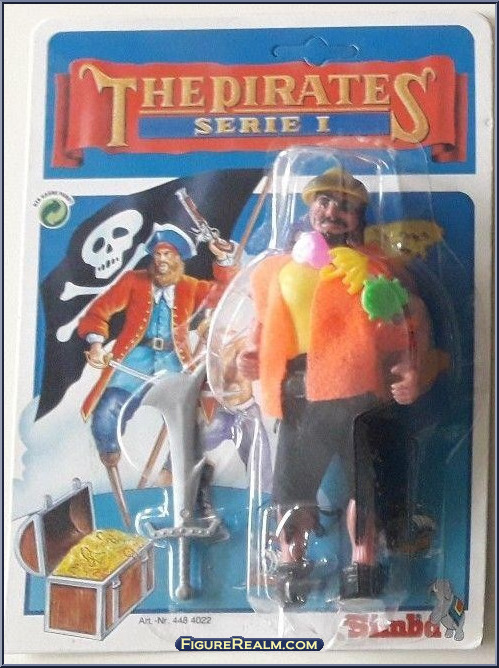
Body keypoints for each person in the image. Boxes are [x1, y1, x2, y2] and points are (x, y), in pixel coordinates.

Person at [237, 167, 443, 605]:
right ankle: (291, 563)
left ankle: (363, 566)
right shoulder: (281, 270)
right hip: (299, 398)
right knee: (291, 490)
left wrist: (413, 368)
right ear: (310, 210)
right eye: (325, 202)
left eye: (345, 206)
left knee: (363, 490)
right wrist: (252, 356)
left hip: (360, 400)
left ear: (360, 217)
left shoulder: (374, 271)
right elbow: (266, 321)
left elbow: (412, 319)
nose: (332, 212)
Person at [78, 228, 236, 526]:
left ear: (178, 260)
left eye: (168, 254)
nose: (161, 260)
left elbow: (226, 293)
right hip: (134, 360)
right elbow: (100, 310)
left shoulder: (191, 286)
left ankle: (170, 475)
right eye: (158, 254)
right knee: (106, 414)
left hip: (173, 362)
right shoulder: (133, 281)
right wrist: (97, 343)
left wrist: (224, 260)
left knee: (189, 423)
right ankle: (114, 481)